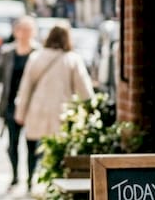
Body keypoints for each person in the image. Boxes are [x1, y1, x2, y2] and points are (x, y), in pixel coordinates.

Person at [14, 25, 95, 180]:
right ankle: (55, 182)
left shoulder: (36, 57)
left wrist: (20, 113)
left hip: (36, 110)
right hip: (62, 112)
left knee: (33, 148)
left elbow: (26, 88)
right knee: (58, 149)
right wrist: (90, 110)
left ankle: (31, 179)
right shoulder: (72, 59)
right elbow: (85, 91)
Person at [0, 15, 40, 190]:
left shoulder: (38, 53)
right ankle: (15, 175)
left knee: (33, 143)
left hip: (33, 106)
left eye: (29, 30)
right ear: (16, 32)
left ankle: (30, 177)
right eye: (22, 30)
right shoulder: (7, 52)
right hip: (11, 104)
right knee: (12, 144)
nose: (25, 33)